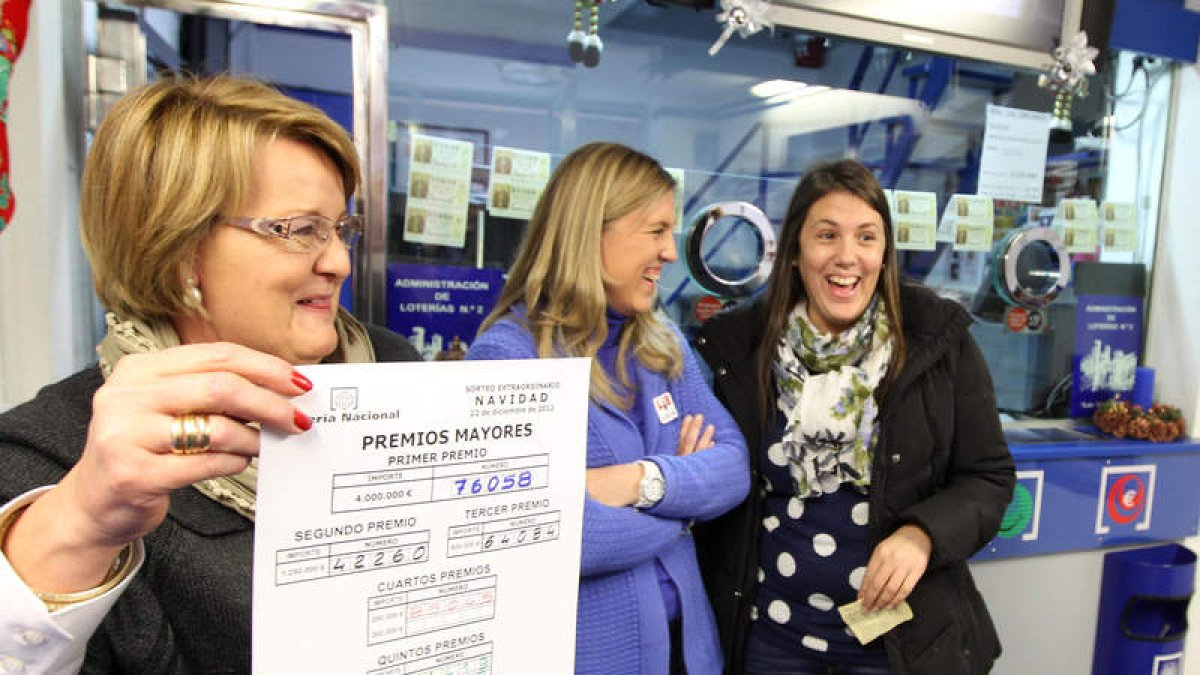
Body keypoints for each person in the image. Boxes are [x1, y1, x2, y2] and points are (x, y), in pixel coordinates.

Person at [0, 75, 421, 673]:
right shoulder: (50, 461)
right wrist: (77, 531)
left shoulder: (393, 366)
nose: (339, 262)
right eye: (302, 230)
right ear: (177, 251)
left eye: (340, 230)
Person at [694, 159, 1015, 675]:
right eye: (827, 235)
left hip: (899, 648)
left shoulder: (938, 342)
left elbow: (988, 477)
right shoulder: (740, 350)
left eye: (866, 237)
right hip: (771, 642)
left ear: (884, 253)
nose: (847, 256)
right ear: (795, 251)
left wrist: (923, 535)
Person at [466, 141, 750, 675]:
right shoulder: (511, 355)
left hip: (689, 652)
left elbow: (734, 467)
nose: (670, 253)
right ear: (592, 230)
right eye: (656, 230)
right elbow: (544, 533)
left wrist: (640, 482)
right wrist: (684, 510)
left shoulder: (661, 343)